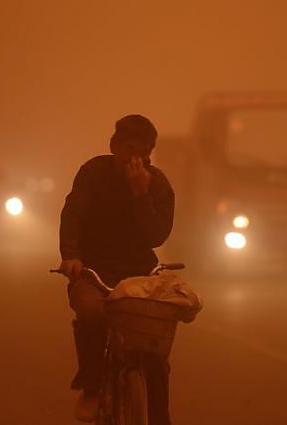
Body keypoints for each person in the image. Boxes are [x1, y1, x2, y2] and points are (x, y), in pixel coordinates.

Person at [58, 114, 175, 424]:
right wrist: (71, 256)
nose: (137, 159)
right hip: (92, 271)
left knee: (154, 348)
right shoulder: (93, 173)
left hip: (140, 274)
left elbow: (156, 236)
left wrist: (141, 196)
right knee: (91, 313)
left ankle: (161, 417)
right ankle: (92, 386)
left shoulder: (158, 184)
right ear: (115, 147)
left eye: (145, 152)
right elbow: (72, 214)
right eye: (131, 150)